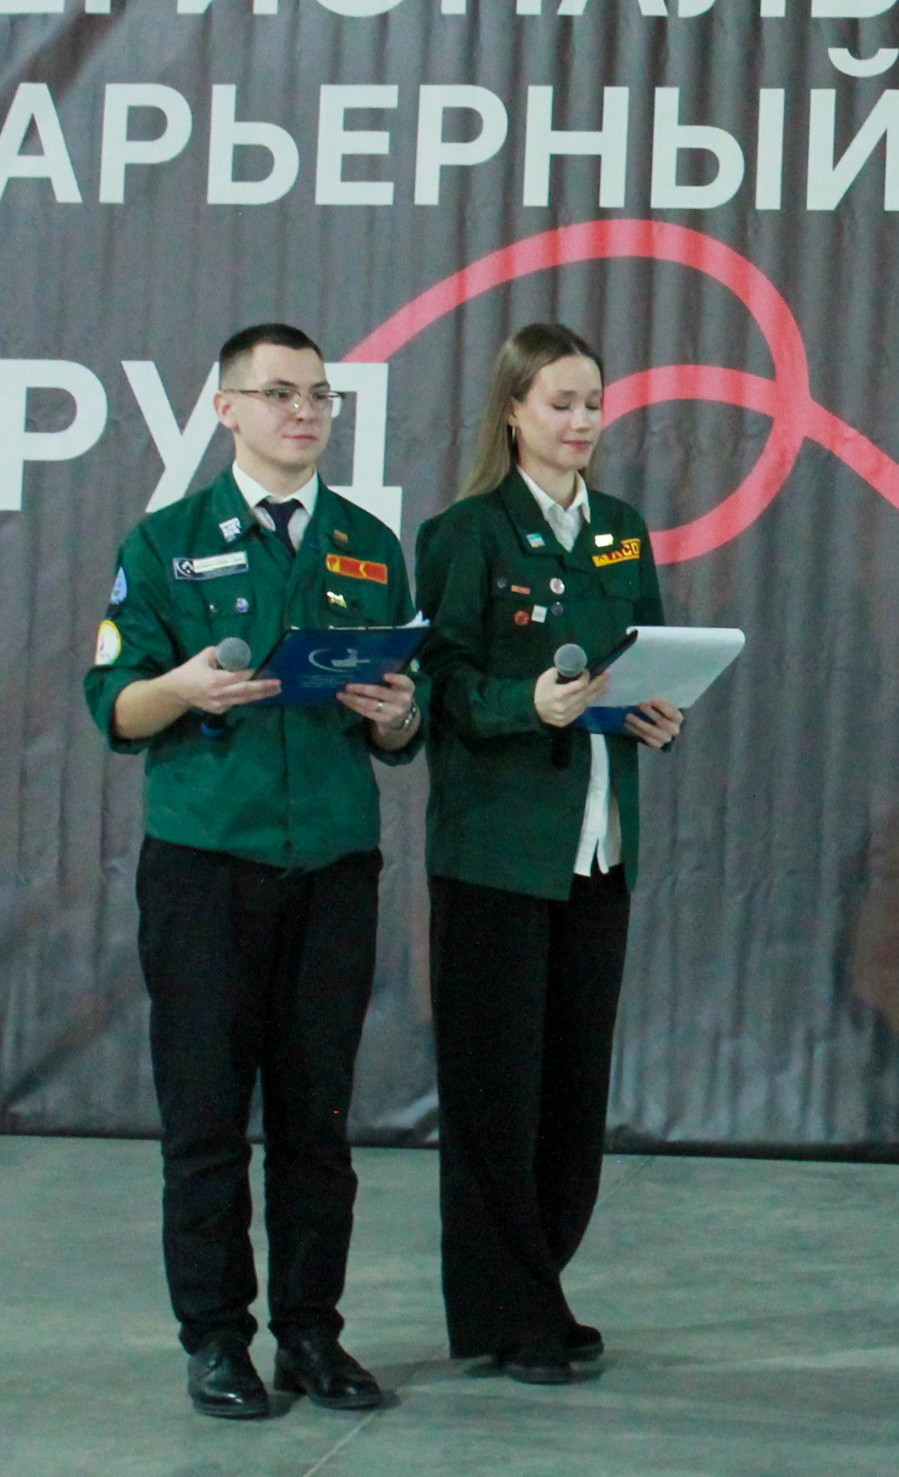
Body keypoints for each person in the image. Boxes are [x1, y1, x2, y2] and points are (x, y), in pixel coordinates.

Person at [84, 323, 424, 1420]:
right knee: (206, 1118)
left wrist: (397, 715)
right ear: (225, 408)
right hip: (206, 868)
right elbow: (115, 707)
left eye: (319, 394)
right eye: (279, 393)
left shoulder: (368, 544)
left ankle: (311, 1334)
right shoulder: (167, 542)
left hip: (331, 863)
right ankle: (216, 1339)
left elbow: (401, 728)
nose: (304, 411)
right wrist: (181, 688)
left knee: (317, 1120)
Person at [415, 323, 683, 1384]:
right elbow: (441, 686)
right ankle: (508, 1309)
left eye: (593, 403)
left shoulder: (619, 530)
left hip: (597, 847)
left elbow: (646, 654)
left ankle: (539, 1288)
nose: (581, 421)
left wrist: (658, 712)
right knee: (496, 1093)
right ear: (514, 412)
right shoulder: (466, 533)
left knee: (572, 1092)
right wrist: (526, 702)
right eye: (561, 402)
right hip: (498, 851)